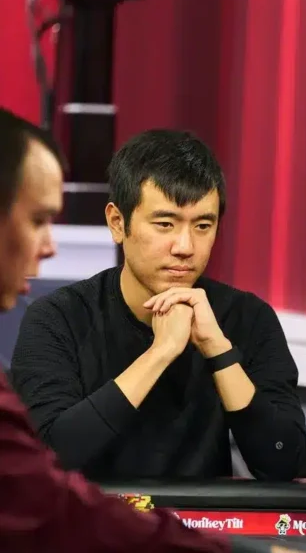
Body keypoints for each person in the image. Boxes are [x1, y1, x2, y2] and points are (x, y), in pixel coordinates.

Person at [0, 106, 277, 553]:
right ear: (118, 222)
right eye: (165, 224)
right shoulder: (57, 318)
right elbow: (51, 470)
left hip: (188, 529)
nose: (184, 246)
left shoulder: (247, 317)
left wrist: (219, 350)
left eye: (203, 226)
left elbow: (282, 462)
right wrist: (159, 353)